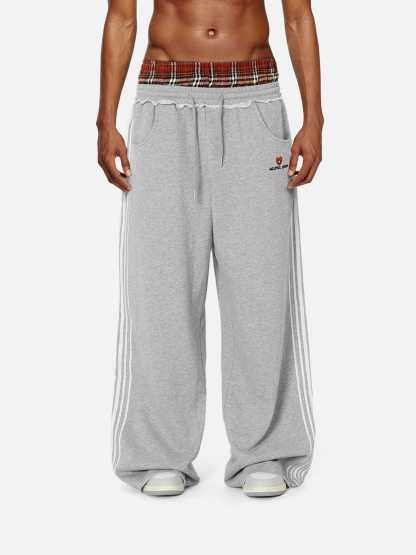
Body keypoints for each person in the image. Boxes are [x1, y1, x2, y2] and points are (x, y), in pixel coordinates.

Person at [97, 0, 323, 498]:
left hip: (254, 101)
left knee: (261, 289)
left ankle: (264, 451)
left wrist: (315, 118)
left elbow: (298, 15)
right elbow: (121, 17)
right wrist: (105, 120)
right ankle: (159, 452)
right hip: (163, 102)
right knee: (161, 287)